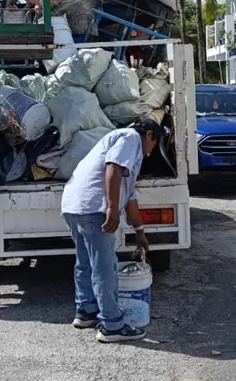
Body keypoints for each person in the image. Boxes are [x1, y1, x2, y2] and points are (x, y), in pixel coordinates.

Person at [60, 118, 161, 343]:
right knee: (104, 266)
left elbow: (130, 195)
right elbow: (112, 169)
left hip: (74, 205)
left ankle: (85, 311)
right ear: (149, 136)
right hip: (93, 207)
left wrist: (140, 232)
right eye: (154, 145)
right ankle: (112, 325)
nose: (150, 152)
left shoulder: (121, 143)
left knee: (85, 260)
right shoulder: (130, 137)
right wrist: (112, 209)